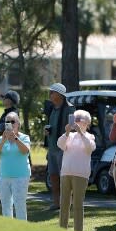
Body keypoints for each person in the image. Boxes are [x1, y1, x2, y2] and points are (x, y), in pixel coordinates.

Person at [57, 109, 96, 231]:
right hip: (66, 173)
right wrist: (67, 132)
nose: (77, 122)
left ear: (87, 123)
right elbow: (60, 144)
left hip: (81, 175)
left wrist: (80, 133)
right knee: (64, 204)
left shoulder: (90, 136)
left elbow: (90, 148)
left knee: (78, 205)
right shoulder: (70, 135)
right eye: (75, 120)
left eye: (79, 120)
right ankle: (62, 230)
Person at [0, 112, 31, 220]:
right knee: (5, 207)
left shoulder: (24, 137)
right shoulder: (2, 139)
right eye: (7, 122)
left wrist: (15, 138)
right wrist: (4, 140)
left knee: (20, 206)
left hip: (20, 177)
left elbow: (25, 151)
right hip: (4, 177)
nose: (10, 124)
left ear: (18, 124)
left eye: (12, 121)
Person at [44, 82, 74, 210]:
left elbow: (73, 128)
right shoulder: (52, 109)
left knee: (65, 179)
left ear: (60, 95)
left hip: (64, 149)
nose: (50, 95)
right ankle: (57, 203)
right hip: (52, 149)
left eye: (52, 92)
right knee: (54, 177)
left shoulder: (70, 109)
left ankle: (67, 204)